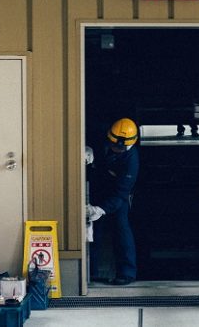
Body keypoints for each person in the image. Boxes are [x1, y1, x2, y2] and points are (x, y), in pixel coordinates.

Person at [86, 118, 140, 285]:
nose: (114, 148)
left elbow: (121, 193)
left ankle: (127, 272)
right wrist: (87, 148)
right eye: (112, 144)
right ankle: (90, 272)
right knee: (93, 230)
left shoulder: (131, 161)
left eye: (119, 147)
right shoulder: (101, 133)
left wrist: (100, 209)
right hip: (98, 184)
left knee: (121, 227)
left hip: (117, 193)